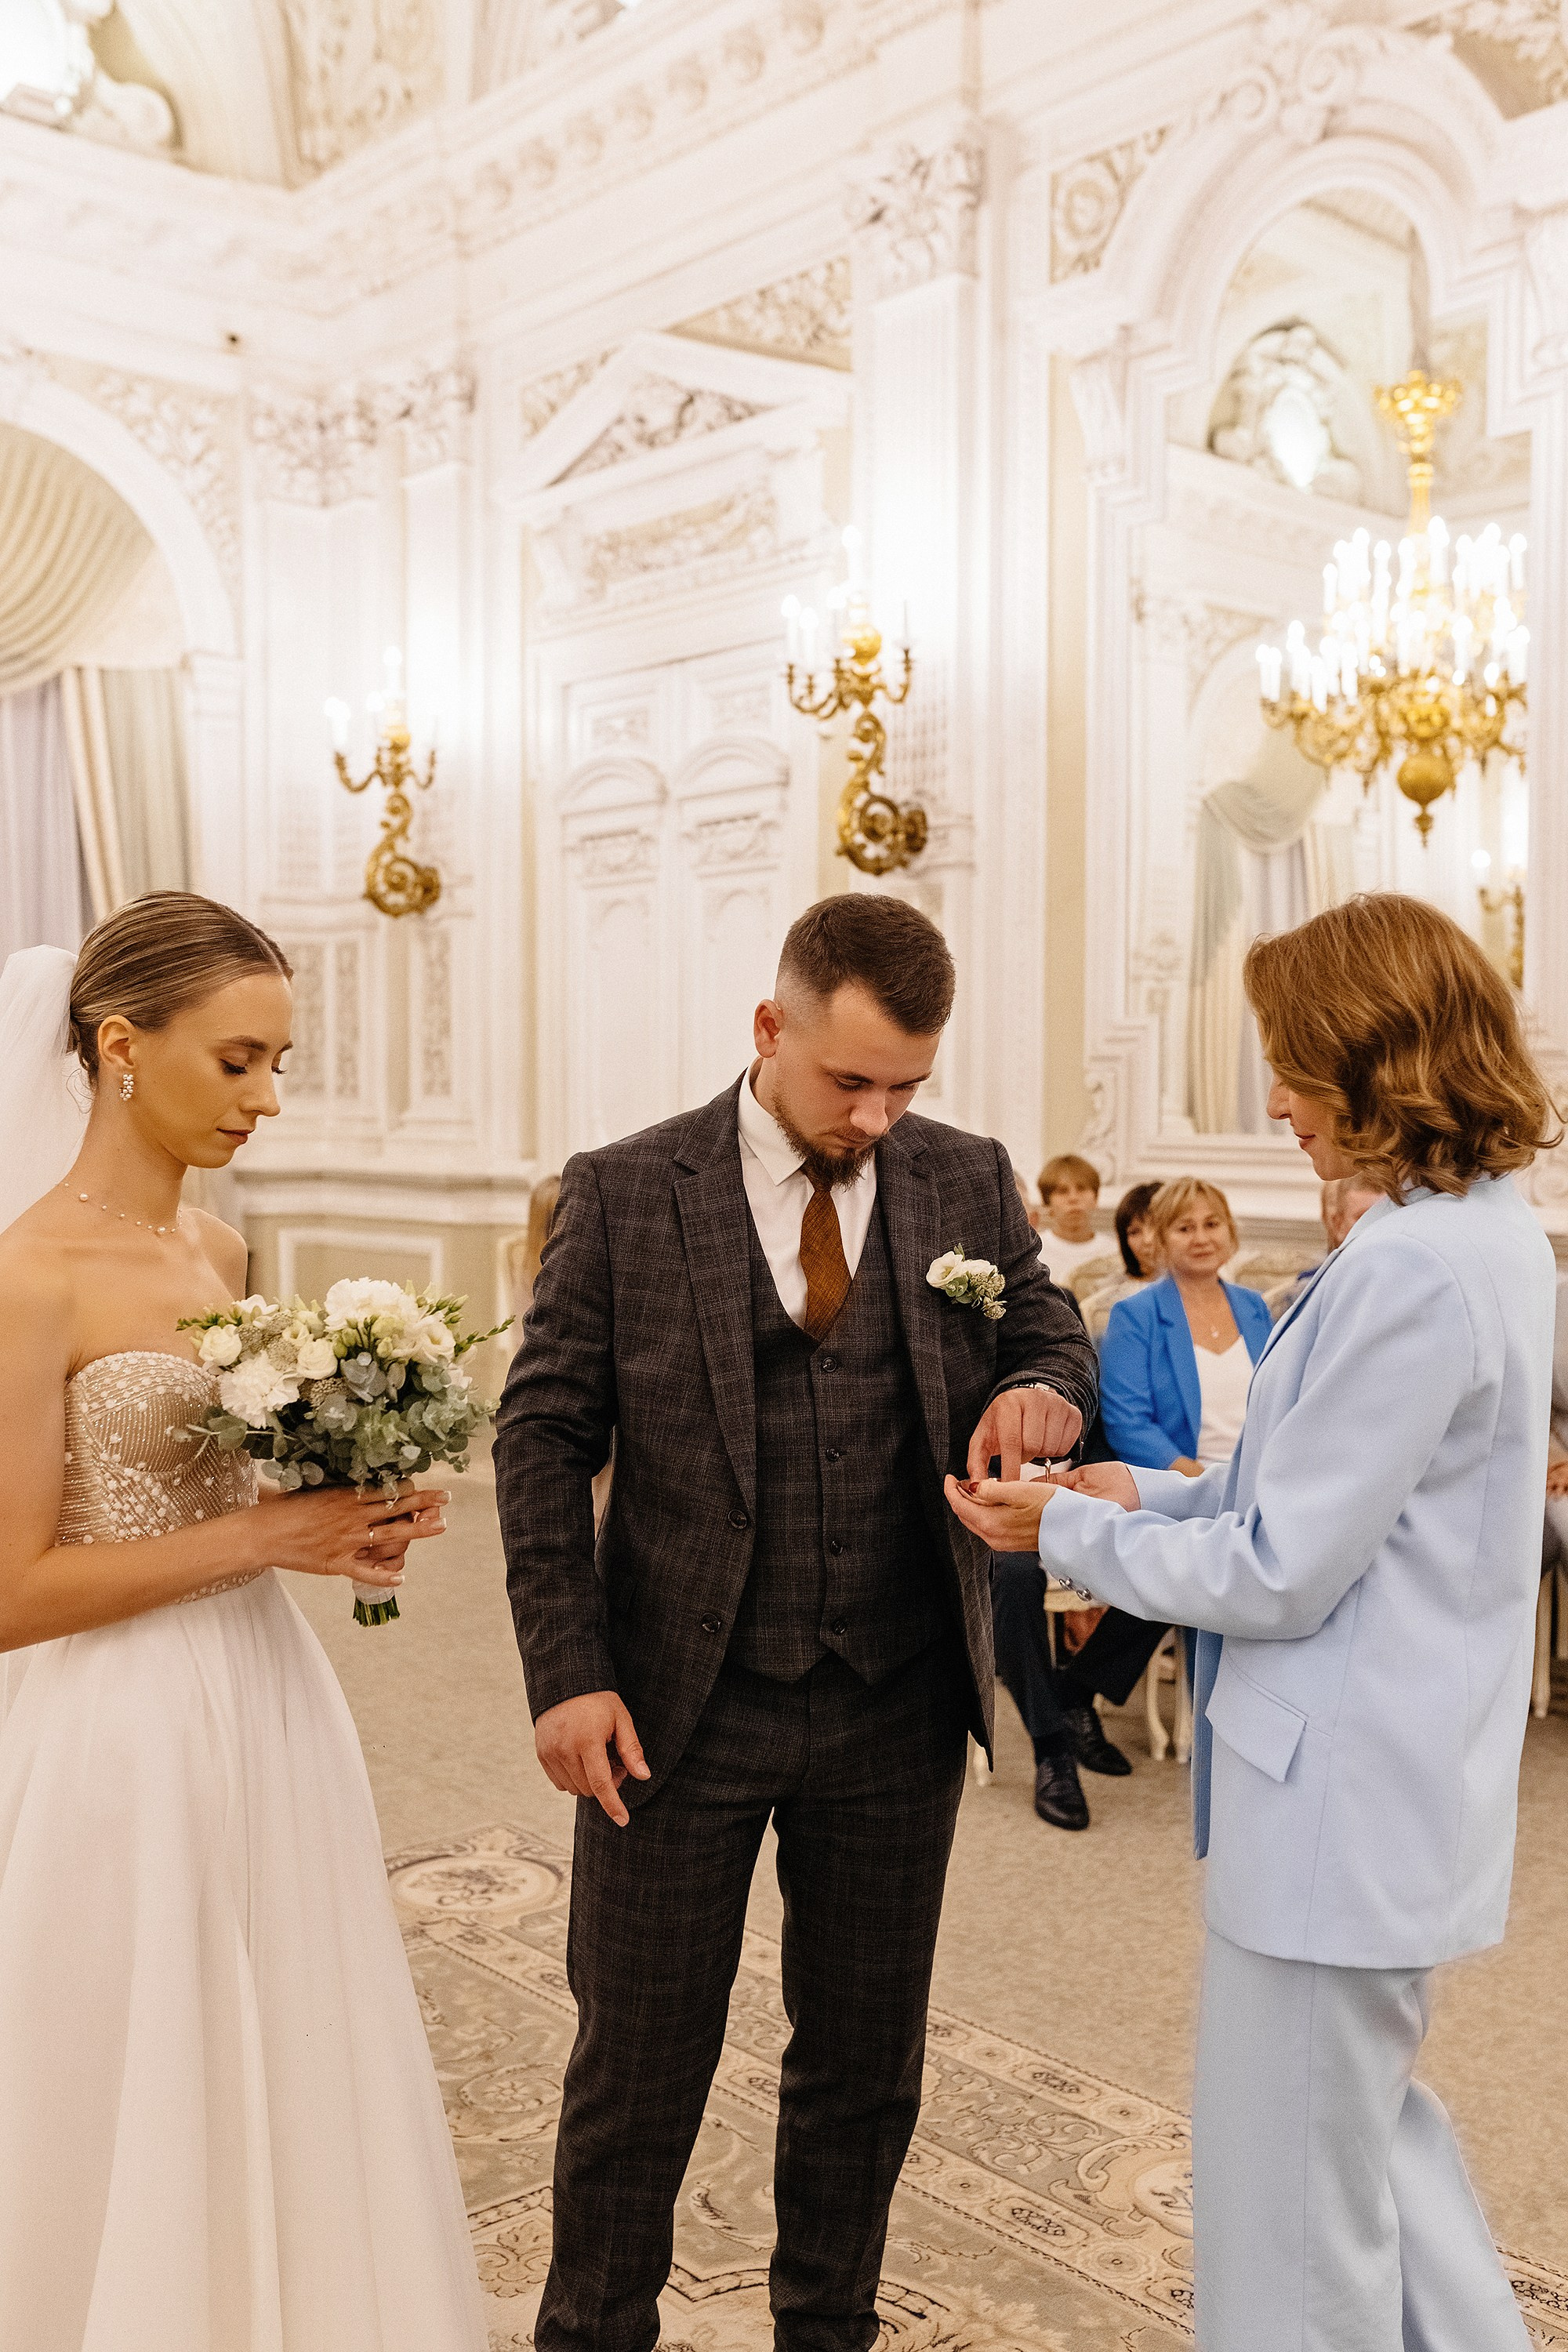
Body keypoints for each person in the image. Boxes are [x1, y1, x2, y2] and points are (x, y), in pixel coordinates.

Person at [947, 891, 1557, 2352]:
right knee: (1372, 2148)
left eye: (1290, 1062)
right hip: (1391, 1778)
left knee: (1290, 2217)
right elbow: (1330, 1489)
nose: (1275, 1098)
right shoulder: (1476, 1233)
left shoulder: (1412, 1266)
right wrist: (1143, 1493)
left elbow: (1288, 1570)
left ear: (1378, 1057)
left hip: (1343, 1793)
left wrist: (1070, 1530)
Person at [495, 892, 1098, 2352]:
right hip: (672, 1707)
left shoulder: (965, 1175)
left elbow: (1041, 1322)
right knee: (638, 2061)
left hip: (896, 1702)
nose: (879, 1116)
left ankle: (826, 2327)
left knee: (864, 2063)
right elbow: (542, 1436)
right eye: (851, 1081)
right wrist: (567, 1675)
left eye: (908, 1084)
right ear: (771, 1030)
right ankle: (594, 2333)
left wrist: (1046, 1390)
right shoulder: (630, 1189)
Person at [0, 899, 485, 2350]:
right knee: (142, 2052)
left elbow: (229, 1476)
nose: (270, 1098)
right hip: (118, 1725)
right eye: (241, 1061)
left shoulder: (219, 1247)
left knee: (286, 2037)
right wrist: (268, 1533)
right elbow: (12, 1590)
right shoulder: (27, 1276)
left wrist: (351, 1506)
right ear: (121, 1047)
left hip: (267, 1691)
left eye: (280, 1060)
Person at [1098, 1177, 1273, 1477]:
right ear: (1161, 1240)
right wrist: (1200, 1483)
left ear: (1229, 1230)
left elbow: (1281, 1400)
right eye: (1184, 1228)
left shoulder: (1254, 1306)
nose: (1201, 1239)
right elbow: (1128, 1424)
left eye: (1212, 1224)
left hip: (1265, 1478)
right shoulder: (1134, 1315)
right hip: (1183, 1487)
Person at [1034, 1152, 1110, 1287]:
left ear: (1096, 1198)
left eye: (1081, 1189)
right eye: (1062, 1191)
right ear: (1047, 1203)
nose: (1073, 1198)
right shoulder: (1035, 1253)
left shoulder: (1114, 1251)